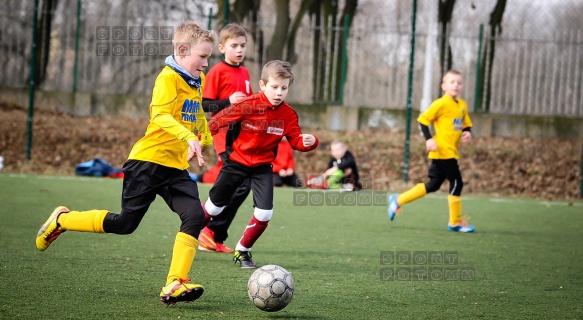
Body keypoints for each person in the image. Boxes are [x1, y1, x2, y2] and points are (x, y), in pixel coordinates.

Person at [35, 22, 216, 304]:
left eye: (208, 57)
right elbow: (160, 116)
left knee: (195, 216)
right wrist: (185, 135)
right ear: (182, 50)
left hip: (175, 168)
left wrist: (203, 138)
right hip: (147, 163)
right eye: (202, 56)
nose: (206, 63)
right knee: (125, 223)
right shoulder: (168, 78)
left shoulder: (197, 80)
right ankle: (63, 220)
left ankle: (174, 283)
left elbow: (198, 114)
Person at [203, 60, 319, 268]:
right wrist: (199, 142)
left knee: (265, 213)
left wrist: (309, 141)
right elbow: (217, 121)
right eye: (274, 87)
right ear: (262, 85)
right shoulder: (248, 104)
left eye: (284, 88)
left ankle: (242, 251)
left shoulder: (288, 115)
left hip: (262, 168)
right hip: (235, 163)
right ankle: (187, 236)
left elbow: (296, 141)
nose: (279, 92)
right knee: (213, 207)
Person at [387, 69, 475, 233]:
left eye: (459, 82)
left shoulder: (462, 105)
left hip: (450, 152)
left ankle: (398, 200)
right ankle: (455, 222)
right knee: (457, 183)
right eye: (452, 82)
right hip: (442, 151)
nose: (456, 85)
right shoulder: (440, 103)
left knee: (433, 185)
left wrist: (467, 132)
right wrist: (428, 139)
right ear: (444, 86)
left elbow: (465, 123)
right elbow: (423, 120)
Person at [197, 23, 254, 254]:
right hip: (224, 136)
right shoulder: (217, 72)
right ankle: (205, 230)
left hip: (244, 137)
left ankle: (213, 235)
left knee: (239, 186)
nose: (239, 50)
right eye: (234, 45)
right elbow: (204, 104)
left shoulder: (246, 72)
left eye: (243, 45)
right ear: (221, 48)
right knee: (239, 185)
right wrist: (228, 101)